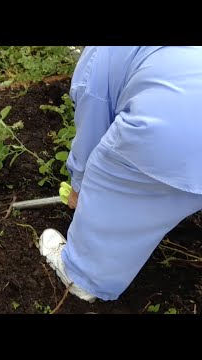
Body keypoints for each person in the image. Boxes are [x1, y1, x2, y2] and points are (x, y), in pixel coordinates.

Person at [39, 46, 202, 302]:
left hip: (165, 136)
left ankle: (82, 275)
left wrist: (79, 187)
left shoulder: (98, 57)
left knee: (107, 172)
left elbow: (92, 135)